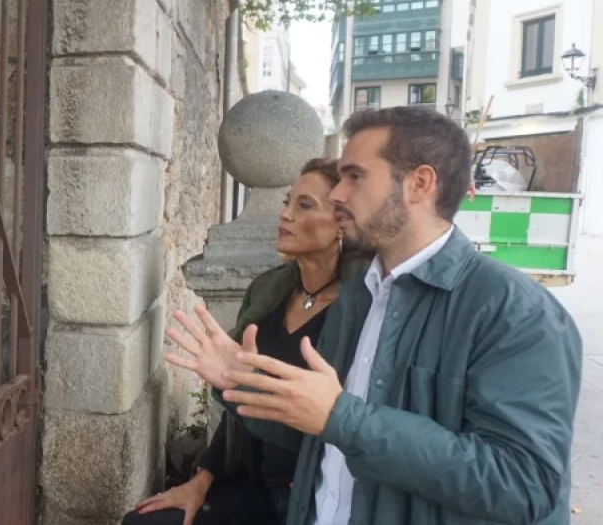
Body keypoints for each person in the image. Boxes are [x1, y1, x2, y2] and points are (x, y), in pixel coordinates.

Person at [164, 106, 582, 525]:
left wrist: (344, 418)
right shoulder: (359, 298)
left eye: (355, 176)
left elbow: (524, 486)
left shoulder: (516, 312)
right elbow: (320, 439)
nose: (338, 194)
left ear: (419, 183)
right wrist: (244, 388)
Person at [125, 159, 369, 525]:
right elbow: (240, 410)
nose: (284, 214)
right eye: (287, 202)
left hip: (314, 494)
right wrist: (201, 479)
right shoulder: (268, 291)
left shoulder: (361, 308)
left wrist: (241, 388)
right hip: (253, 483)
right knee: (143, 522)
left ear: (341, 222)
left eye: (304, 205)